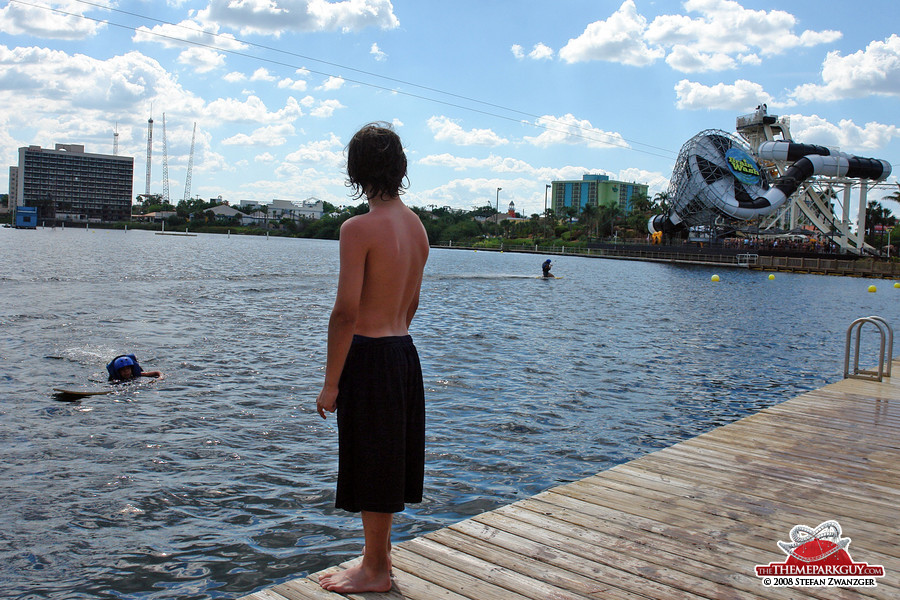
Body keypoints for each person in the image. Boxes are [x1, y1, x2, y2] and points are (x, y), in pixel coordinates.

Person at [315, 123, 429, 594]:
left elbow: (345, 312)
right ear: (400, 168)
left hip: (371, 353)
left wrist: (330, 381)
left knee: (372, 460)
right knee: (386, 461)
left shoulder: (357, 229)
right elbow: (414, 303)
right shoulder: (417, 226)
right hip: (403, 351)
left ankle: (376, 571)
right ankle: (375, 562)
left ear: (356, 170)